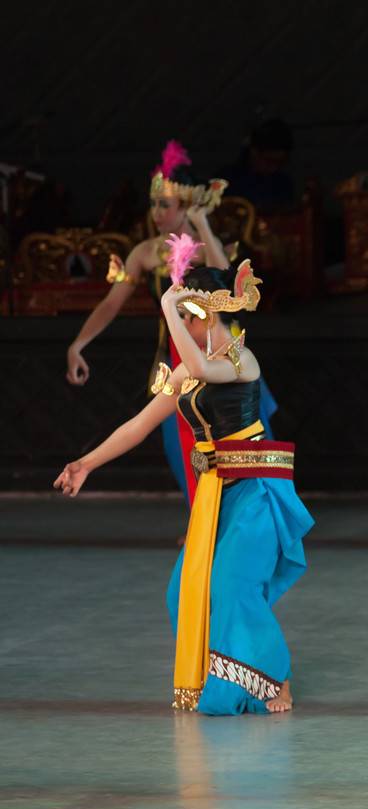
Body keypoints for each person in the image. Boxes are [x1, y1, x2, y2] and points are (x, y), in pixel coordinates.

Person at [55, 240, 312, 716]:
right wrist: (86, 463)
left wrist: (166, 305)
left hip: (256, 492)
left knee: (233, 586)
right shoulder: (186, 371)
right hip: (218, 497)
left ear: (203, 314)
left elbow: (200, 366)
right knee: (183, 591)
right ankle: (227, 672)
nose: (182, 327)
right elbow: (140, 424)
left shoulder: (240, 360)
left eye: (187, 316)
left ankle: (275, 679)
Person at [65, 140, 278, 499]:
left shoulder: (210, 248)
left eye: (166, 204)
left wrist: (202, 224)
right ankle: (203, 518)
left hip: (222, 352)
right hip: (174, 356)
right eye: (153, 204)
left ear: (187, 205)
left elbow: (227, 283)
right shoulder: (145, 253)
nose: (156, 211)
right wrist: (78, 344)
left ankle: (262, 512)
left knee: (247, 436)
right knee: (177, 443)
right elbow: (111, 303)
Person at [217, 118, 296, 213]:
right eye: (269, 161)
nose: (273, 168)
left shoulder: (282, 184)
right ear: (254, 152)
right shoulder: (226, 181)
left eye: (280, 162)